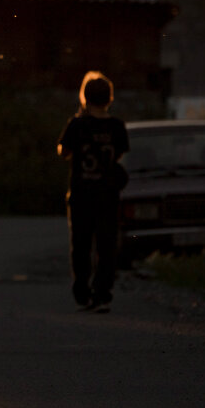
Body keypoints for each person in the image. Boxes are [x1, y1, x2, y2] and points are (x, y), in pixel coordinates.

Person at [57, 71, 129, 312]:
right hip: (108, 195)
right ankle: (102, 292)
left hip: (81, 194)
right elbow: (119, 154)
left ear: (85, 97)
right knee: (107, 246)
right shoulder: (117, 126)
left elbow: (63, 152)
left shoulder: (76, 124)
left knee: (81, 245)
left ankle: (82, 291)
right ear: (109, 98)